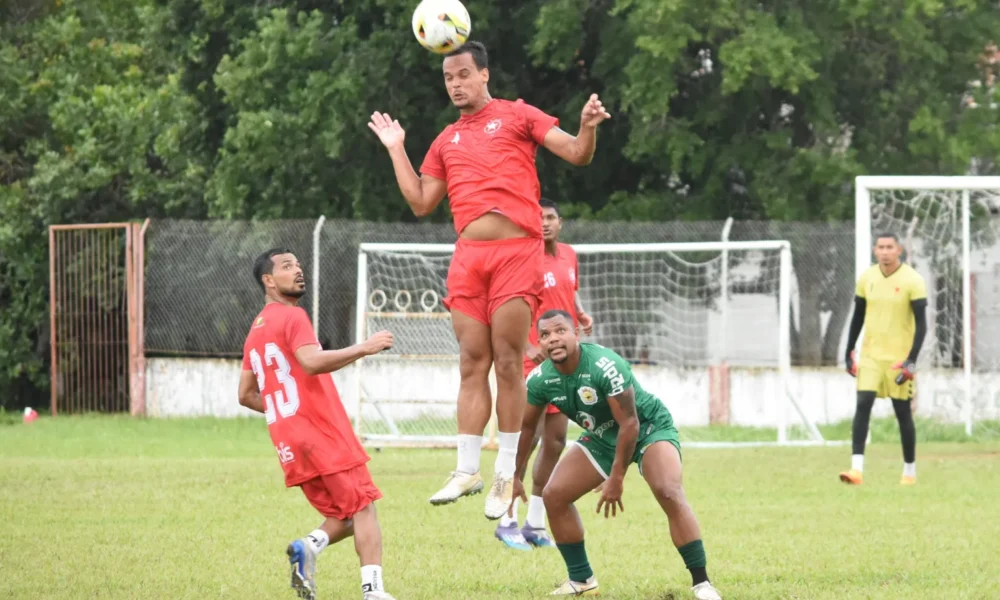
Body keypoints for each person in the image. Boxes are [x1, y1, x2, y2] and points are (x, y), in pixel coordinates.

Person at [367, 41, 611, 519]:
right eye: (448, 77)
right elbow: (421, 201)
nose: (455, 84)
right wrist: (396, 149)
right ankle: (466, 469)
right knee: (471, 361)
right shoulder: (445, 140)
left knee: (508, 361)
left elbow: (577, 153)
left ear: (484, 74)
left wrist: (586, 127)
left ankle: (504, 472)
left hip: (516, 254)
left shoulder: (517, 115)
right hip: (469, 258)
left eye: (463, 74)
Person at [510, 310, 723, 600]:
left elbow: (630, 423)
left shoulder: (604, 365)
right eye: (545, 335)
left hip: (648, 427)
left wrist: (616, 477)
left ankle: (702, 583)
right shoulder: (539, 380)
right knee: (554, 495)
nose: (553, 339)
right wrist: (515, 475)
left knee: (668, 490)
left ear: (576, 334)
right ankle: (582, 580)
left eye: (560, 331)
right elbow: (527, 428)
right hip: (602, 436)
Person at [237, 248, 396, 600]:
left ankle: (308, 546)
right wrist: (364, 347)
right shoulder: (292, 316)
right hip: (321, 433)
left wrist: (288, 414)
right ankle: (373, 591)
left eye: (298, 264)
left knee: (345, 513)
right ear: (268, 280)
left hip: (289, 441)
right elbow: (310, 362)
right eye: (287, 266)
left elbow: (246, 395)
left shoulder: (255, 330)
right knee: (364, 506)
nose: (298, 270)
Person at [495, 198, 594, 550]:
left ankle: (535, 522)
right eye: (539, 218)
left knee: (555, 440)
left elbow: (571, 291)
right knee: (525, 438)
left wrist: (580, 315)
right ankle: (505, 517)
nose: (545, 223)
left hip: (562, 360)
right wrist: (525, 346)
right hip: (533, 360)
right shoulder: (525, 258)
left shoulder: (569, 254)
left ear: (560, 222)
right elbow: (507, 304)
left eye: (551, 217)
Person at [841, 233, 927, 486]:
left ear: (899, 250)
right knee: (863, 404)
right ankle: (856, 470)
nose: (885, 251)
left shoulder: (913, 280)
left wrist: (911, 360)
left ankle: (909, 471)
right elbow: (857, 316)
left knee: (902, 412)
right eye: (881, 247)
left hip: (898, 360)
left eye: (890, 247)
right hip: (870, 356)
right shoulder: (867, 278)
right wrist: (849, 350)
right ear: (875, 250)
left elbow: (922, 325)